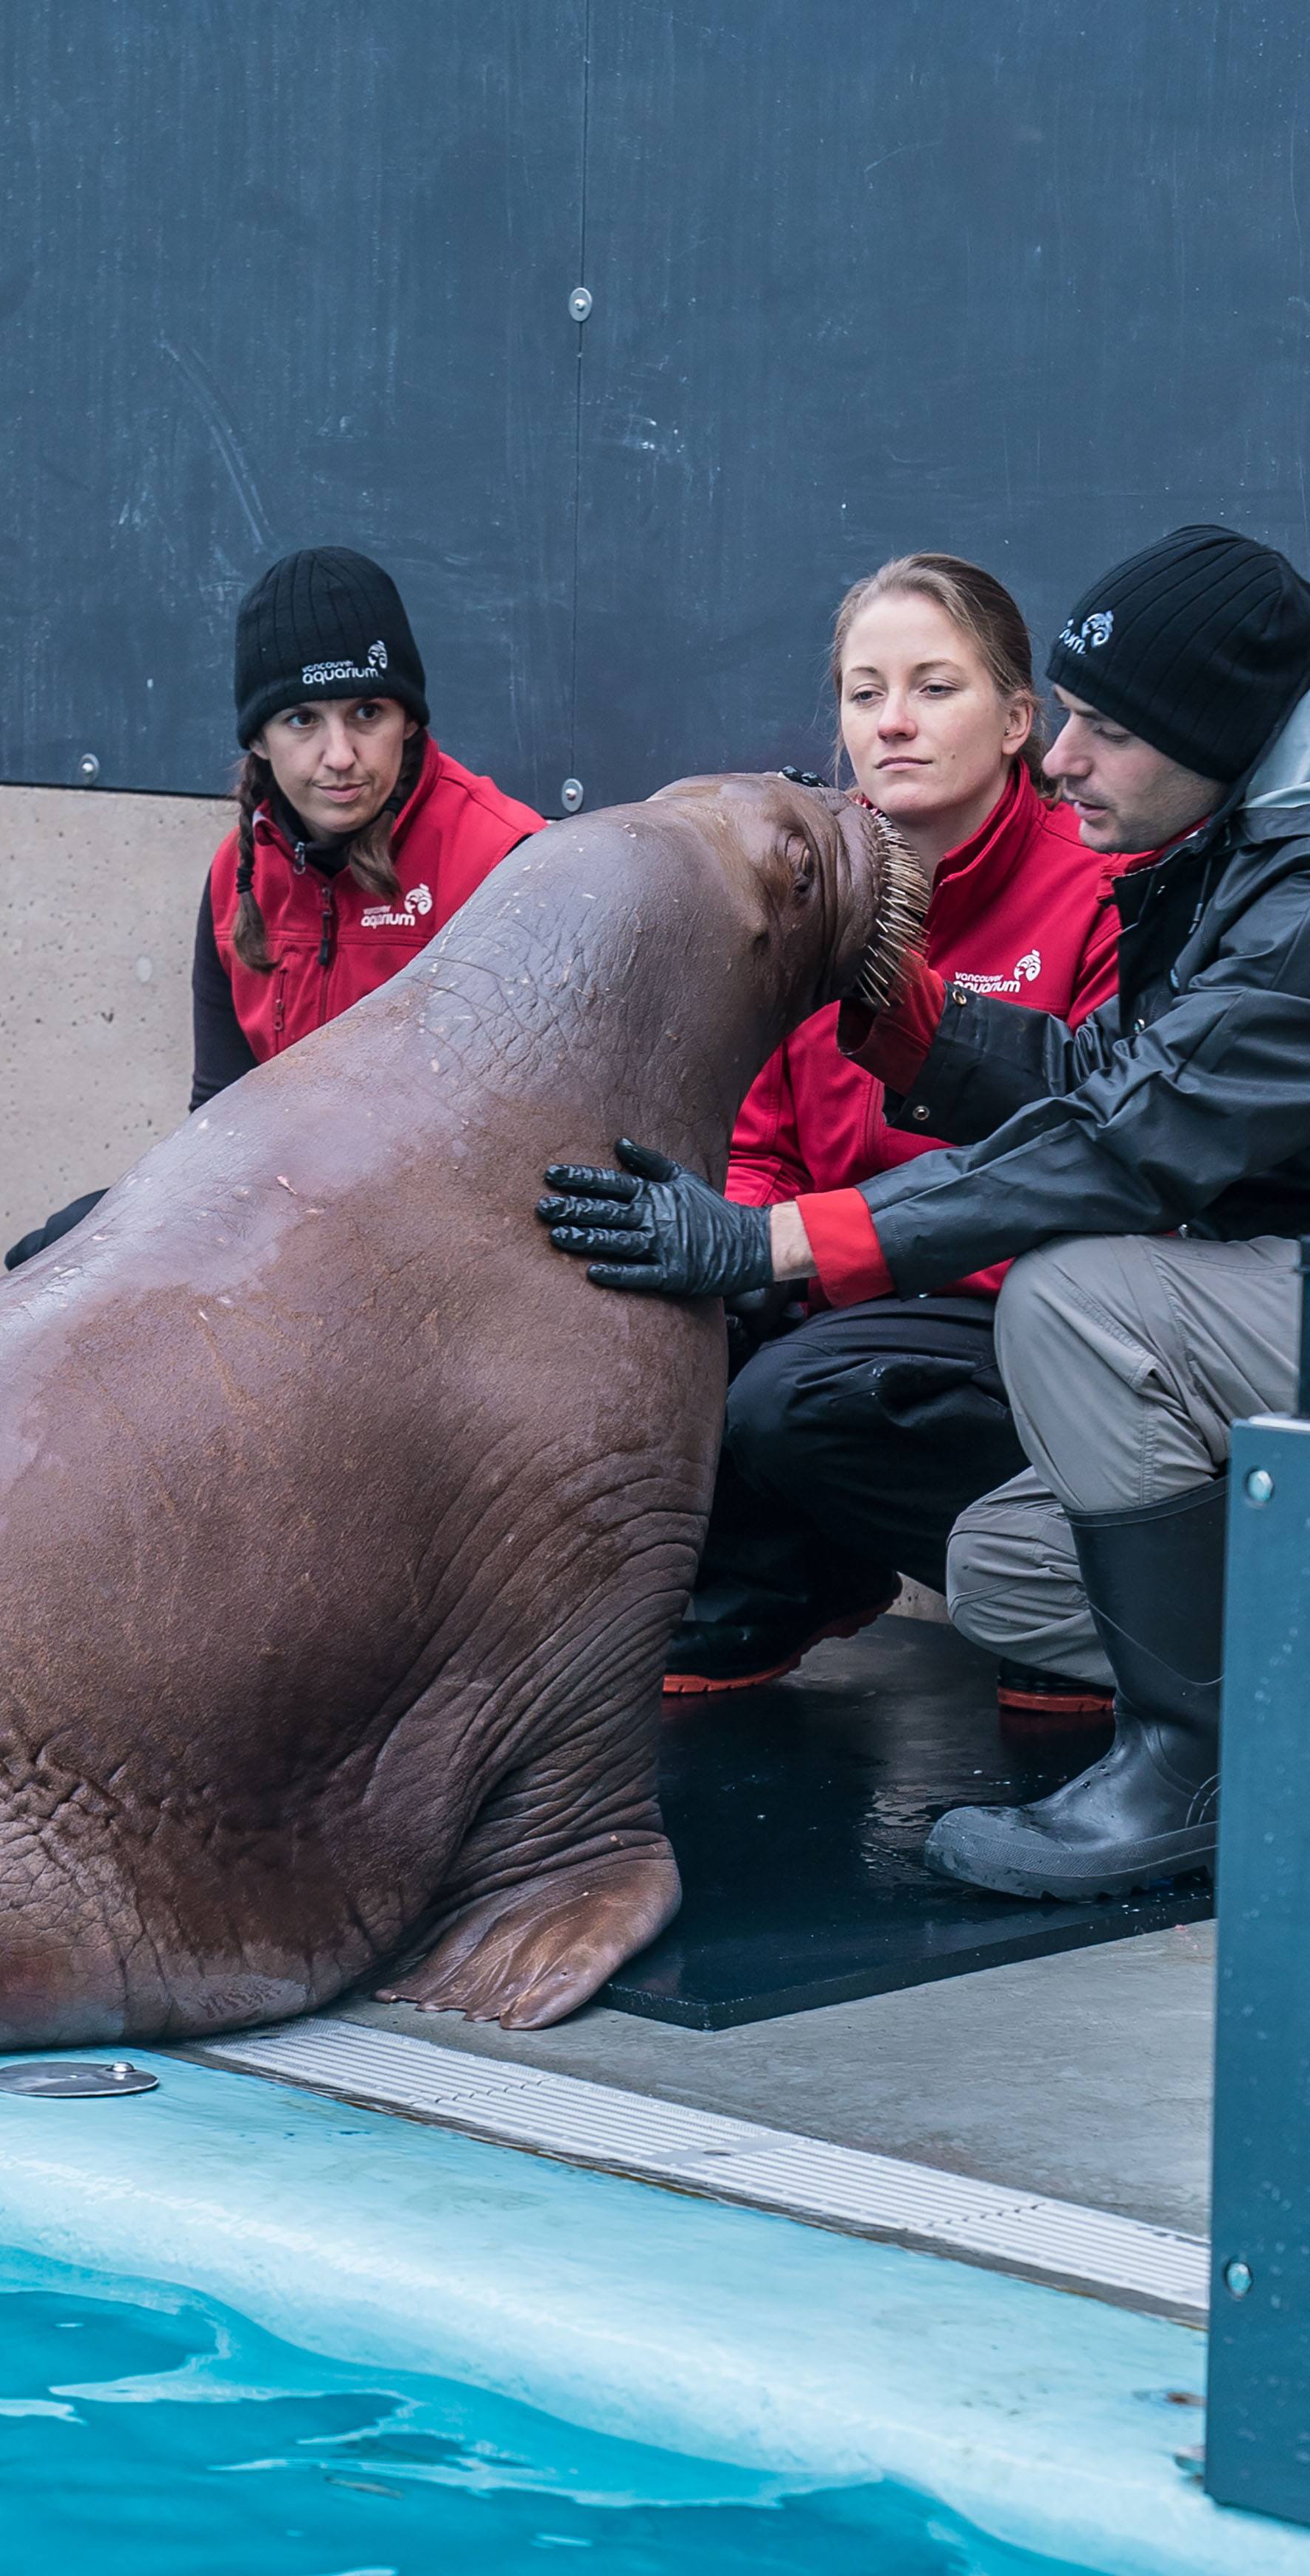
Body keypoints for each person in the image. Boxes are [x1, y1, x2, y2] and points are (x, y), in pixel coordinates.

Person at [538, 524, 1310, 1903]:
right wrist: (892, 1013)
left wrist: (776, 1244)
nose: (1067, 756)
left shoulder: (1290, 897)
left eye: (1101, 729)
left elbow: (1119, 1141)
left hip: (1072, 1314)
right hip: (1200, 1322)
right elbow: (1113, 1083)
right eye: (862, 688)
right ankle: (1270, 1710)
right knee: (1007, 1571)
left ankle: (1191, 1766)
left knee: (1077, 1292)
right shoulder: (1245, 842)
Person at [662, 554, 1120, 1726]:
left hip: (1016, 1309)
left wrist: (815, 1259)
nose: (894, 723)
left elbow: (1093, 1182)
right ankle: (783, 1578)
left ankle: (1084, 1601)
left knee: (798, 1394)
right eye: (865, 695)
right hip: (835, 1279)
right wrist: (746, 1254)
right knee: (670, 1304)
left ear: (1021, 720)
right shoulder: (809, 889)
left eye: (934, 687)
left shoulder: (1105, 893)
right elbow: (758, 1140)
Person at [7, 546, 543, 1266]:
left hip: (452, 1234)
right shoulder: (237, 871)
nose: (341, 754)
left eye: (366, 712)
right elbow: (220, 1121)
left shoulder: (506, 860)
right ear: (258, 737)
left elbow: (531, 1135)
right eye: (301, 720)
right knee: (48, 1254)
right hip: (284, 1212)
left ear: (409, 720)